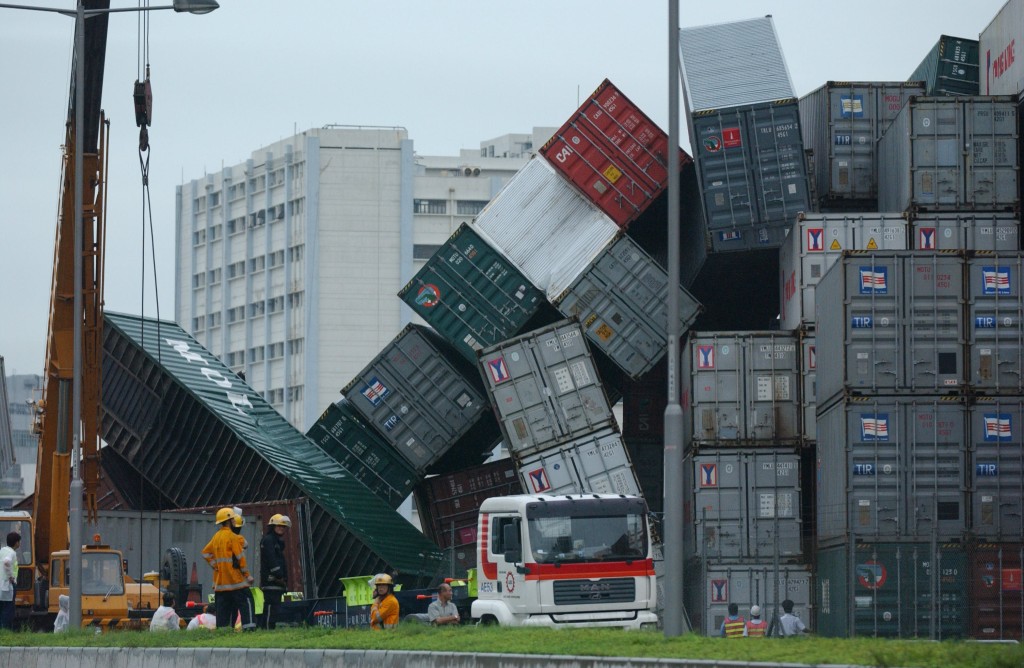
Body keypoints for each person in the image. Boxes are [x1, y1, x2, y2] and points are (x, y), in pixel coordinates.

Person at [202, 507, 256, 631]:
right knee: (247, 602)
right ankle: (249, 629)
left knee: (223, 610)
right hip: (236, 581)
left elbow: (205, 553)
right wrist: (247, 575)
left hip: (220, 583)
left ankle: (223, 632)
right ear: (230, 520)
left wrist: (216, 566)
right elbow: (240, 557)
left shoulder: (216, 537)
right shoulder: (232, 537)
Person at [260, 513, 290, 629]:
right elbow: (272, 560)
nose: (281, 528)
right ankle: (267, 629)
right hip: (271, 581)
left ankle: (270, 628)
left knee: (275, 609)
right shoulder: (268, 540)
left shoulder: (276, 541)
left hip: (277, 582)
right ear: (272, 526)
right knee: (270, 607)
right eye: (278, 526)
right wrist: (279, 575)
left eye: (283, 526)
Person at [0, 531, 20, 630]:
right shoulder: (12, 553)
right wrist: (11, 577)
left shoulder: (2, 550)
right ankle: (5, 631)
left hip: (1, 585)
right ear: (16, 542)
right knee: (8, 610)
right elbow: (6, 562)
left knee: (1, 609)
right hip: (7, 585)